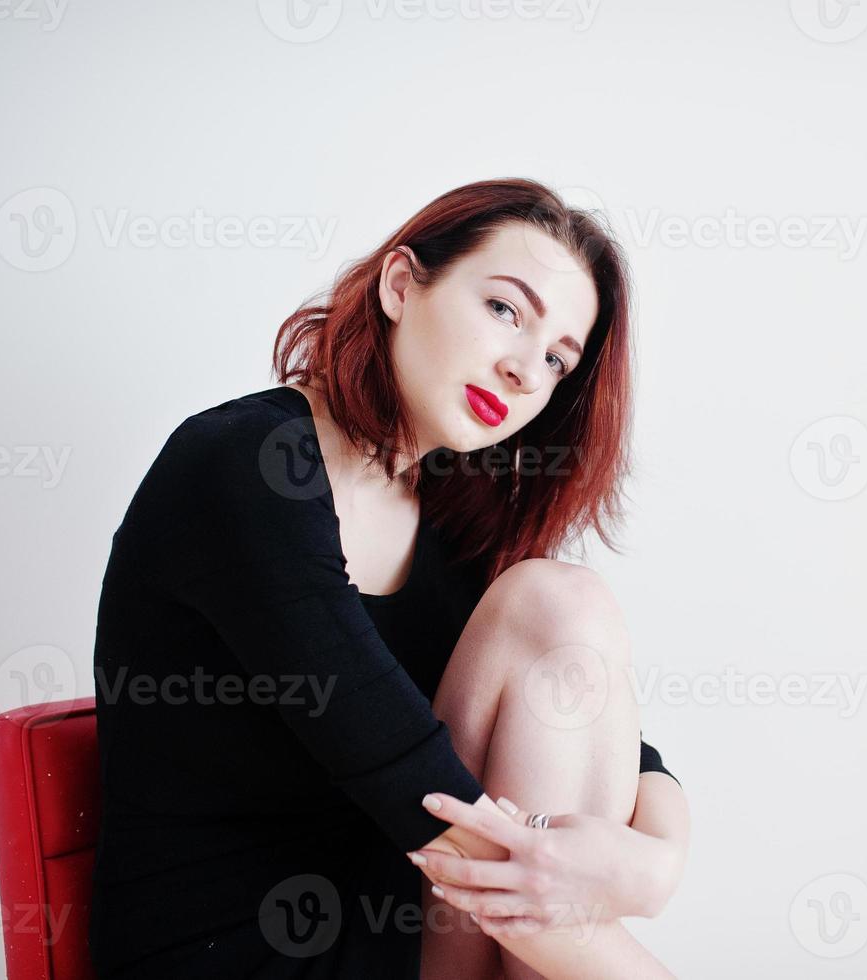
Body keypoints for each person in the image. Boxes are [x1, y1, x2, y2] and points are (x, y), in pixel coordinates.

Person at [88, 178, 691, 978]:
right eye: (505, 310)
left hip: (389, 928)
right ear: (402, 285)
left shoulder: (446, 513)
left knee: (559, 604)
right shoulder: (248, 466)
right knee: (551, 605)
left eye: (556, 359)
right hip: (236, 951)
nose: (522, 371)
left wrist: (659, 863)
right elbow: (419, 791)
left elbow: (616, 742)